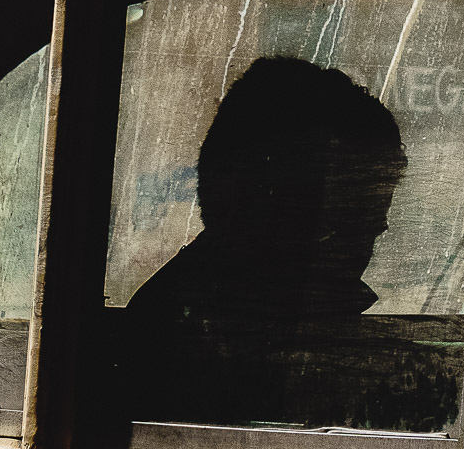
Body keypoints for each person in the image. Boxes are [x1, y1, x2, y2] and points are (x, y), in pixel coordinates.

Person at [101, 57, 407, 430]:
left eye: (371, 223)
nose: (363, 249)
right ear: (268, 208)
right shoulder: (198, 343)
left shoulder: (247, 323)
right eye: (348, 223)